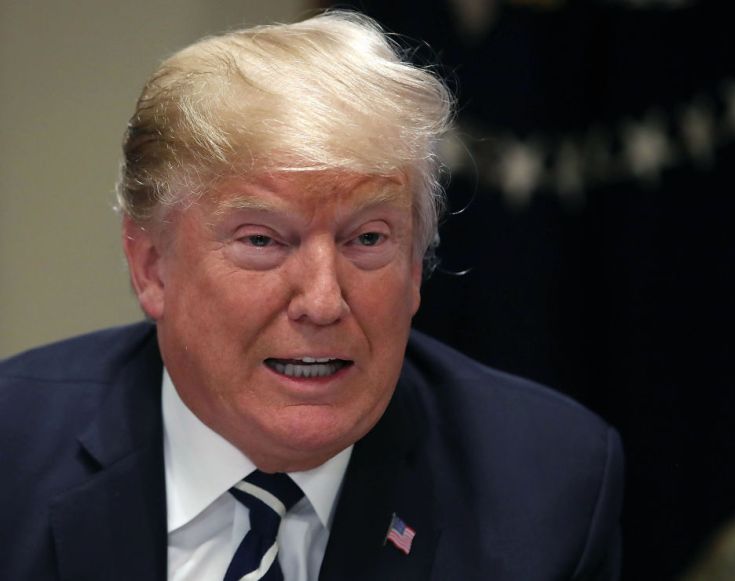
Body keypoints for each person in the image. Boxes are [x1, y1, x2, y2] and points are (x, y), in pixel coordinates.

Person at [0, 11, 623, 581]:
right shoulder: (13, 452)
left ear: (414, 268)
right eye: (264, 240)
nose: (324, 302)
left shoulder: (548, 484)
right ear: (152, 267)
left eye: (369, 238)